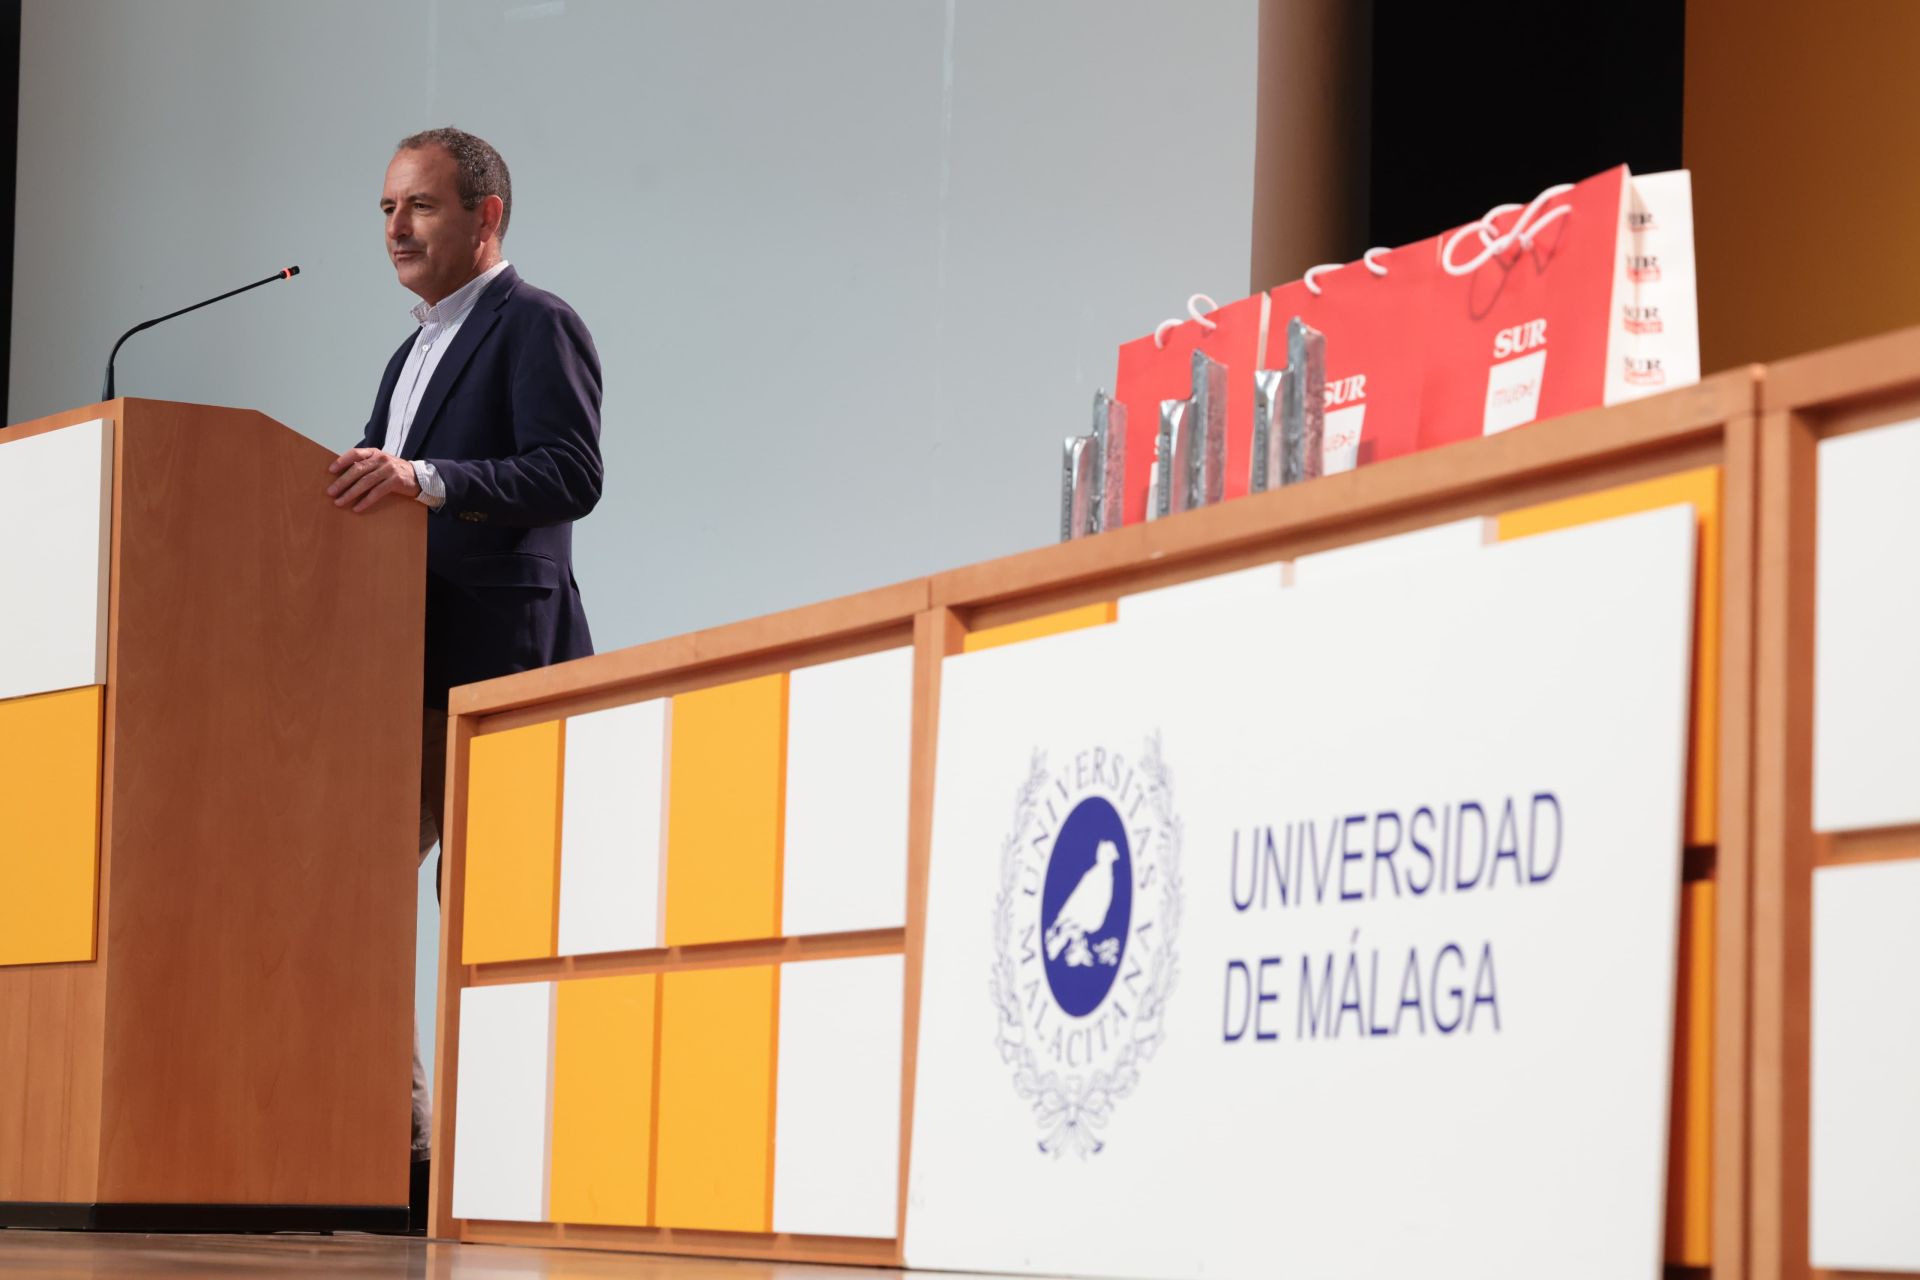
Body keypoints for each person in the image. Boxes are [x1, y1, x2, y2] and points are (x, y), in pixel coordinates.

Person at [326, 126, 603, 1228]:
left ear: (485, 217)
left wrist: (425, 477)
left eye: (421, 206)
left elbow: (569, 472)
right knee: (353, 889)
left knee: (489, 916)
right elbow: (376, 492)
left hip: (494, 666)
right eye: (387, 209)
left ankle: (509, 1149)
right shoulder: (408, 357)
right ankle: (403, 1146)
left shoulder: (536, 323)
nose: (396, 228)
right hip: (395, 667)